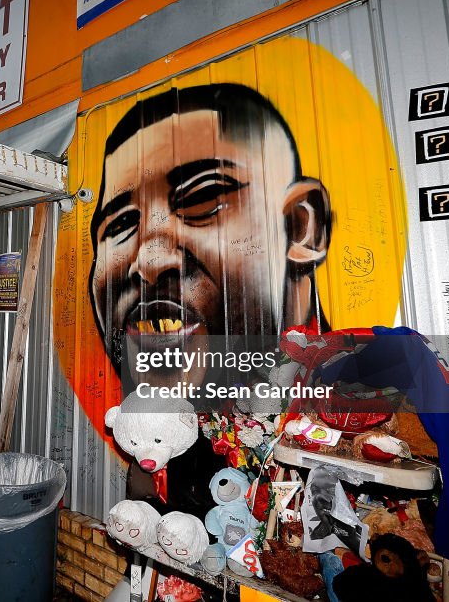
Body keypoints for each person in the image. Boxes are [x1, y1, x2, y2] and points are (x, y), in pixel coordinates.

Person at [88, 83, 331, 396]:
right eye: (120, 223)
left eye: (203, 196)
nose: (149, 261)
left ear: (301, 227)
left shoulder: (356, 394)